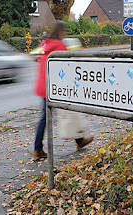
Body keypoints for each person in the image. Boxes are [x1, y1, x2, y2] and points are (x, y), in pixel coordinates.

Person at [33, 21, 94, 159]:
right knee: (70, 111)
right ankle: (80, 141)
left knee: (46, 117)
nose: (66, 33)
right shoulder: (60, 46)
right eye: (65, 31)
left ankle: (38, 149)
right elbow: (66, 66)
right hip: (55, 87)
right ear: (61, 32)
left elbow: (38, 59)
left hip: (44, 85)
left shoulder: (45, 44)